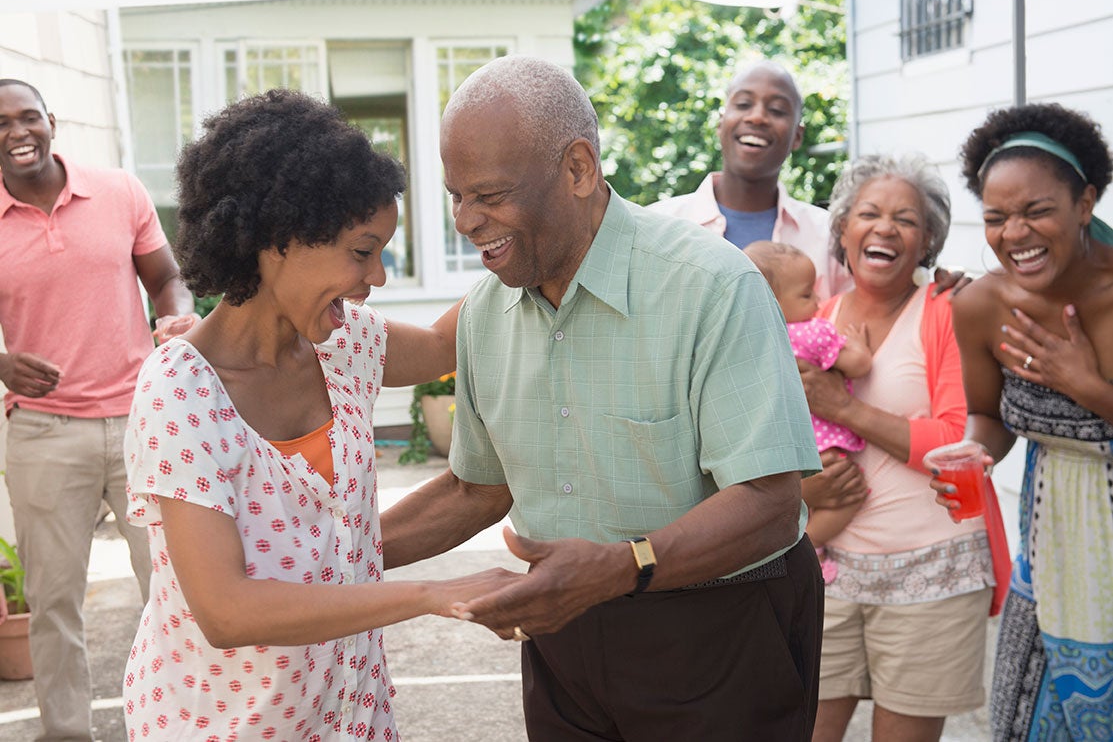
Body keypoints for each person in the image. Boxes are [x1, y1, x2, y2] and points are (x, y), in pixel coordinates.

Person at [381, 55, 825, 741]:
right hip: (564, 634)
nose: (466, 221)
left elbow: (770, 505)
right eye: (455, 195)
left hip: (722, 629)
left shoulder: (710, 285)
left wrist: (623, 567)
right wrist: (329, 551)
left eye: (488, 194)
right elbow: (475, 490)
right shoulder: (484, 314)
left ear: (578, 169)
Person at [121, 89, 518, 740]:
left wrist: (531, 233)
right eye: (362, 252)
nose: (377, 278)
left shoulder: (345, 343)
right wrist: (432, 593)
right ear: (278, 238)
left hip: (349, 717)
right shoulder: (182, 390)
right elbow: (226, 609)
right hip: (220, 725)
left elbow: (453, 340)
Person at [0, 78, 199, 742]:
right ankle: (66, 733)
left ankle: (188, 723)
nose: (17, 132)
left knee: (179, 588)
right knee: (54, 604)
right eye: (1, 123)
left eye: (28, 117)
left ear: (51, 120)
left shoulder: (118, 191)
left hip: (146, 422)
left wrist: (175, 317)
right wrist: (2, 363)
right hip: (44, 431)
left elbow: (165, 278)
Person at [796, 154, 1009, 742]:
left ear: (929, 240)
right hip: (828, 571)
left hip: (934, 574)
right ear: (842, 230)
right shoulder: (816, 320)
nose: (885, 227)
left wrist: (846, 409)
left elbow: (958, 440)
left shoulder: (948, 311)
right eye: (868, 213)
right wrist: (804, 490)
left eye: (906, 219)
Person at [940, 103, 1113, 740]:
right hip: (1053, 542)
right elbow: (989, 414)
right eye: (995, 217)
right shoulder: (983, 305)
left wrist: (1087, 387)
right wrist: (973, 452)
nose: (1015, 233)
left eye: (1037, 211)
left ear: (1085, 202)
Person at [648, 60, 854, 301]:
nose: (757, 117)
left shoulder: (830, 239)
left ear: (797, 135)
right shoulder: (657, 227)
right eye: (744, 104)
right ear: (720, 122)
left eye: (777, 110)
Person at [744, 240, 871, 583]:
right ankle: (809, 547)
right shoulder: (811, 333)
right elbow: (858, 365)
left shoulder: (751, 338)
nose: (818, 302)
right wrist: (858, 345)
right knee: (848, 496)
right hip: (821, 443)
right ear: (771, 298)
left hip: (780, 448)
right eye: (805, 295)